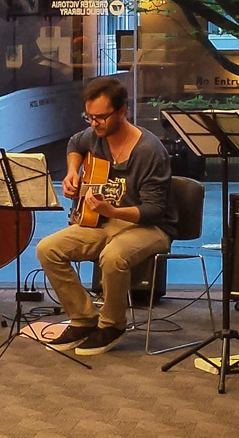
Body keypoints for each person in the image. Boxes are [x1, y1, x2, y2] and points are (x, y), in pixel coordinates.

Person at [36, 77, 177, 355]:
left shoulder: (149, 151)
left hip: (149, 226)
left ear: (123, 110)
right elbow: (75, 144)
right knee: (48, 248)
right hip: (103, 220)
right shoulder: (94, 136)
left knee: (113, 256)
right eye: (89, 117)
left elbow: (154, 210)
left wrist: (112, 211)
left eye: (101, 117)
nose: (95, 123)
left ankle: (112, 325)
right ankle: (83, 319)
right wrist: (72, 173)